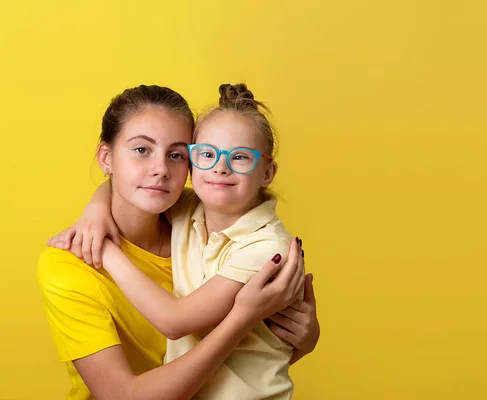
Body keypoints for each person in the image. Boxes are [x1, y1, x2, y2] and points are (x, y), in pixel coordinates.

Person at [40, 85, 319, 400]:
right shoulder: (188, 216)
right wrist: (95, 210)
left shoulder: (214, 224)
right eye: (141, 149)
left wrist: (105, 248)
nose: (160, 169)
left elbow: (253, 356)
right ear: (106, 157)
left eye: (175, 155)